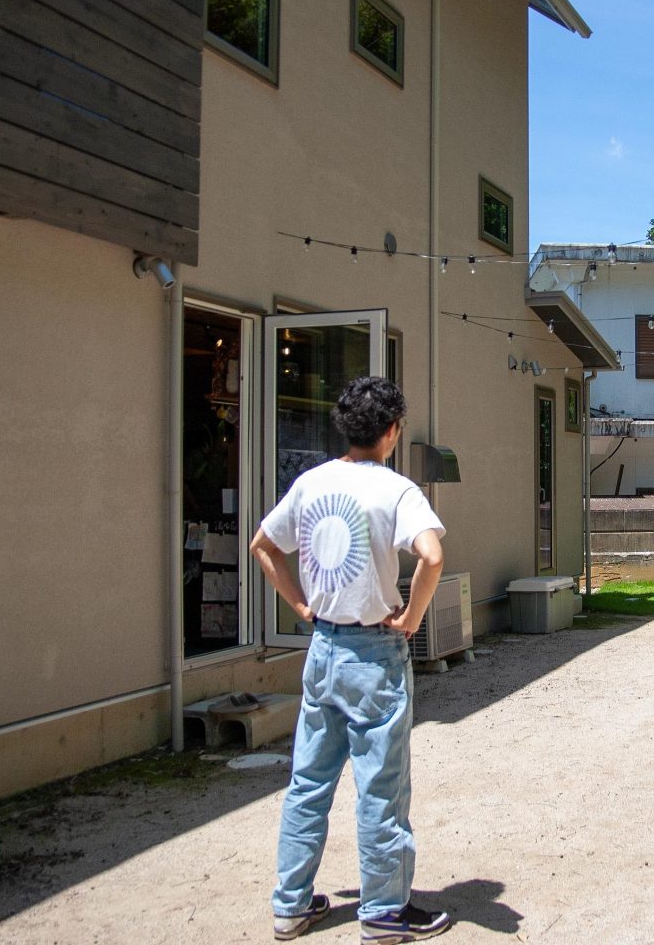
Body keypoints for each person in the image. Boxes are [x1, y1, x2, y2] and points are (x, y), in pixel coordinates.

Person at [250, 376, 453, 944]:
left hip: (324, 649)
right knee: (381, 786)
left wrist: (298, 603)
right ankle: (385, 910)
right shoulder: (398, 490)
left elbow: (262, 546)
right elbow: (432, 555)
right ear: (392, 431)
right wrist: (412, 618)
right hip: (376, 654)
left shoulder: (311, 483)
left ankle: (291, 905)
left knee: (308, 781)